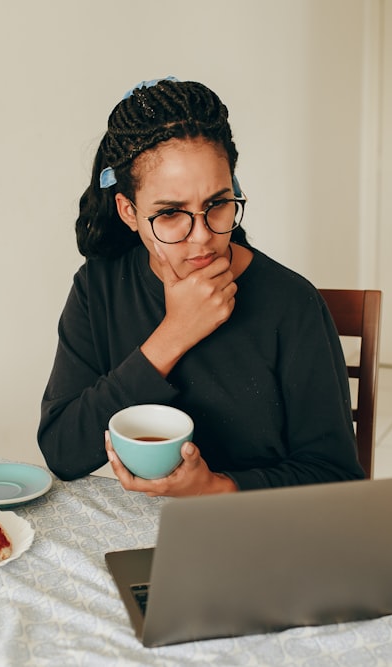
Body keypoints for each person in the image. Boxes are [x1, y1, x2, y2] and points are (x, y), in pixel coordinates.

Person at [38, 77, 363, 496]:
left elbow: (338, 480)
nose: (202, 237)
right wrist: (174, 334)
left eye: (217, 205)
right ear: (129, 212)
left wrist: (215, 487)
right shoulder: (97, 287)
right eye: (171, 213)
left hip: (257, 534)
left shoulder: (292, 304)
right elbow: (62, 450)